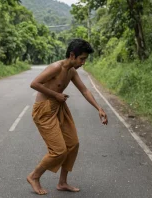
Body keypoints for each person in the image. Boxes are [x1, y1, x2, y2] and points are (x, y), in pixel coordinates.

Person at [27, 39, 108, 195]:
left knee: (73, 144)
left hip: (59, 107)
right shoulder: (56, 68)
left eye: (85, 59)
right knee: (58, 151)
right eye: (82, 58)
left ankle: (62, 182)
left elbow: (85, 90)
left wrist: (99, 108)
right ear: (72, 55)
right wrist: (56, 94)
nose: (83, 62)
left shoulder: (71, 71)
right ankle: (34, 176)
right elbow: (34, 83)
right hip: (44, 110)